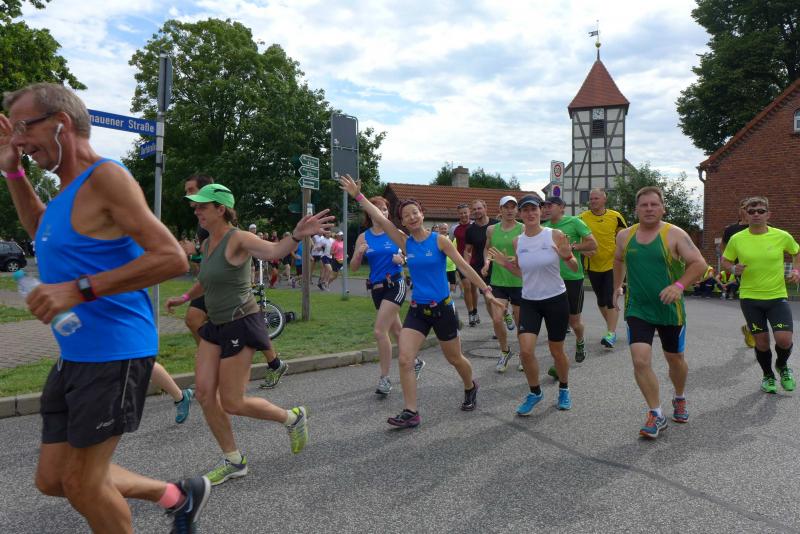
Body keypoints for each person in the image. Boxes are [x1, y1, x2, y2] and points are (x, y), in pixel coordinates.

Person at [1, 82, 209, 531]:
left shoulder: (105, 177)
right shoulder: (66, 191)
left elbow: (171, 258)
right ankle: (177, 496)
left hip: (115, 351)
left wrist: (78, 290)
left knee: (82, 483)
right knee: (53, 479)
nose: (18, 140)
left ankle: (176, 499)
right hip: (76, 355)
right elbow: (39, 229)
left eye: (23, 127)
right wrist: (13, 173)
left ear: (61, 123)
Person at [166, 183, 332, 485]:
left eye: (202, 206)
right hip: (215, 325)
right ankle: (233, 460)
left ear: (221, 209)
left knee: (232, 402)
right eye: (196, 206)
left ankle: (292, 417)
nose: (196, 210)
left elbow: (273, 251)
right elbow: (206, 280)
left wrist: (297, 235)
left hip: (240, 323)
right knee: (204, 394)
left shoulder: (238, 238)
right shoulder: (208, 243)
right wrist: (185, 297)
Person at [341, 175, 504, 427]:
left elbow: (464, 266)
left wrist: (487, 290)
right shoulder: (404, 242)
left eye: (415, 213)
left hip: (443, 309)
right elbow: (381, 219)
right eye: (406, 216)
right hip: (418, 310)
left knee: (455, 359)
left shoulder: (439, 241)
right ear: (403, 221)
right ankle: (411, 411)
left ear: (422, 214)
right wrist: (358, 196)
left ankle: (470, 385)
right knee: (405, 359)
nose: (411, 217)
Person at [612, 186, 707, 439]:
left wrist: (678, 286)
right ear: (636, 209)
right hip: (638, 307)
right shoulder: (625, 236)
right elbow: (618, 259)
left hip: (669, 309)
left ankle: (680, 397)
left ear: (663, 208)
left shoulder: (674, 234)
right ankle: (656, 413)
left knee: (675, 359)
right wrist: (616, 286)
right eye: (644, 205)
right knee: (640, 360)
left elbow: (699, 264)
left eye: (654, 204)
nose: (649, 209)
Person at [183, 175, 288, 390]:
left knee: (247, 325)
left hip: (228, 289)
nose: (188, 195)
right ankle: (214, 361)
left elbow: (266, 250)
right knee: (195, 319)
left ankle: (272, 363)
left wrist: (295, 237)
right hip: (212, 284)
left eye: (192, 190)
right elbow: (208, 254)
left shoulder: (222, 224)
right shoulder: (203, 219)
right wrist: (184, 294)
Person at [490, 195, 579, 415]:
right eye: (525, 210)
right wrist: (505, 264)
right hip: (530, 301)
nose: (530, 214)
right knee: (526, 351)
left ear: (541, 211)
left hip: (556, 299)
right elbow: (522, 273)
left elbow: (575, 268)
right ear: (521, 214)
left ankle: (564, 388)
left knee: (556, 351)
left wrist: (568, 257)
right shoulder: (518, 241)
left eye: (534, 209)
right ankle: (535, 392)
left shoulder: (554, 235)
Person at [722, 196, 799, 394]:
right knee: (762, 342)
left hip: (777, 296)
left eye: (761, 211)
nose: (756, 214)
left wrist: (796, 270)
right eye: (751, 211)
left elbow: (796, 252)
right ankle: (768, 375)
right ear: (745, 215)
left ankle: (782, 366)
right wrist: (733, 268)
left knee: (784, 340)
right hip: (750, 298)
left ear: (768, 214)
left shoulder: (781, 236)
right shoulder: (737, 239)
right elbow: (725, 261)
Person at [349, 196, 422, 396]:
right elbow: (353, 268)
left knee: (380, 332)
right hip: (377, 288)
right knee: (397, 331)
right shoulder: (363, 237)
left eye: (384, 209)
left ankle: (384, 378)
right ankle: (416, 361)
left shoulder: (395, 233)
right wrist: (359, 254)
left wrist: (403, 260)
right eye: (377, 209)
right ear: (369, 212)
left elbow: (414, 255)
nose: (381, 212)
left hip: (395, 284)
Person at [541, 196, 597, 370]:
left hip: (572, 278)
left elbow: (592, 244)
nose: (546, 209)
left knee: (574, 322)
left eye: (550, 205)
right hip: (551, 279)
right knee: (555, 322)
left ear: (561, 207)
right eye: (544, 206)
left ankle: (580, 340)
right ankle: (558, 362)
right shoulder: (544, 228)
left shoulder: (574, 222)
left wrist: (573, 248)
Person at [579, 188, 627, 348]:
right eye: (591, 198)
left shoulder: (615, 216)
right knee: (601, 301)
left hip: (612, 264)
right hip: (592, 265)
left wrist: (624, 253)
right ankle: (611, 329)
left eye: (596, 198)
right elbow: (572, 238)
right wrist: (583, 250)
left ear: (604, 199)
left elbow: (624, 236)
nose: (593, 201)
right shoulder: (582, 218)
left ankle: (611, 333)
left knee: (610, 298)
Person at [482, 195, 523, 372]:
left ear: (517, 210)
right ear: (500, 210)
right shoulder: (491, 230)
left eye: (513, 207)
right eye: (506, 207)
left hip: (518, 280)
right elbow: (488, 249)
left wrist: (516, 260)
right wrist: (487, 263)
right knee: (497, 319)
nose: (510, 210)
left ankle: (523, 354)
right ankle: (505, 351)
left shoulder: (523, 228)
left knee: (520, 322)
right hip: (498, 281)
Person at [722, 199, 755, 348]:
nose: (748, 210)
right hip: (742, 271)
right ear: (740, 210)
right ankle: (752, 329)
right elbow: (724, 250)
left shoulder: (766, 227)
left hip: (765, 271)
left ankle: (750, 327)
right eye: (744, 207)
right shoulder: (731, 230)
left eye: (751, 207)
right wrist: (731, 266)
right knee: (753, 301)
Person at [464, 199, 498, 327]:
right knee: (488, 299)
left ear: (485, 208)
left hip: (499, 266)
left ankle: (504, 313)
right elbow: (467, 250)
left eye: (479, 208)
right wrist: (466, 267)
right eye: (474, 209)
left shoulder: (496, 224)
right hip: (482, 268)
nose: (477, 211)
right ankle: (497, 324)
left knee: (500, 297)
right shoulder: (470, 230)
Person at [452, 203, 475, 320]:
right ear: (458, 214)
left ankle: (475, 310)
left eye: (465, 212)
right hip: (461, 261)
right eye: (461, 213)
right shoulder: (454, 228)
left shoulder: (475, 225)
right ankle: (471, 313)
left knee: (474, 288)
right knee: (467, 286)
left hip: (475, 260)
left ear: (469, 212)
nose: (463, 215)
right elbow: (449, 242)